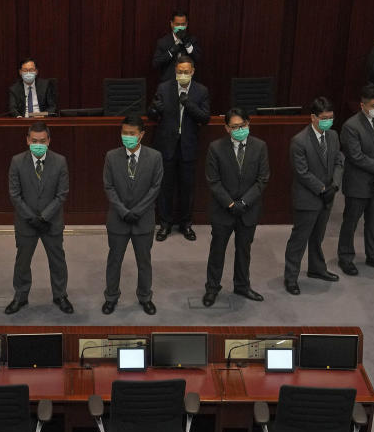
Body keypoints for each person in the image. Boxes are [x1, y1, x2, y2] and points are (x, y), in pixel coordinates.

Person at [203, 108, 269, 307]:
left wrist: (244, 202)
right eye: (234, 127)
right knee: (217, 251)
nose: (239, 130)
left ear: (248, 124)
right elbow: (213, 181)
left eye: (242, 126)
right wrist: (231, 204)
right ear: (226, 128)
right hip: (223, 210)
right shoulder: (215, 147)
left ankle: (242, 285)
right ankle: (212, 288)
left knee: (244, 250)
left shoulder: (260, 146)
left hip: (248, 209)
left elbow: (262, 179)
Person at [6, 122, 72, 314]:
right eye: (34, 140)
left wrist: (44, 217)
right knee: (22, 262)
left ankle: (60, 295)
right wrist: (31, 218)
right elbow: (14, 194)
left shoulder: (60, 161)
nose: (38, 144)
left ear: (49, 141)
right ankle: (20, 296)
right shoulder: (17, 161)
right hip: (26, 223)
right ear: (27, 140)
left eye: (42, 141)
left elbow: (62, 194)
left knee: (58, 260)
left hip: (51, 222)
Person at [101, 116, 162, 315]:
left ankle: (145, 297)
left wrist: (137, 211)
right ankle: (111, 297)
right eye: (124, 133)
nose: (127, 137)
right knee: (114, 260)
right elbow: (109, 187)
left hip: (143, 219)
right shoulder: (111, 156)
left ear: (141, 135)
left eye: (132, 134)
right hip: (118, 219)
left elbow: (155, 188)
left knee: (144, 261)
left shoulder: (155, 157)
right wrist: (123, 211)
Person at [282, 97, 343, 295]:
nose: (328, 121)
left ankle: (317, 269)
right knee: (299, 239)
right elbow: (302, 172)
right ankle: (291, 277)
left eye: (331, 117)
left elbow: (338, 160)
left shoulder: (333, 135)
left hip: (328, 195)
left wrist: (334, 185)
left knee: (318, 236)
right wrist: (322, 189)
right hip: (308, 198)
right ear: (313, 117)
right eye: (324, 118)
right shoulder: (299, 141)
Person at [148, 55, 210, 241]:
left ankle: (186, 224)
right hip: (166, 145)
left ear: (192, 72)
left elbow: (204, 118)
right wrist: (154, 109)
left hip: (188, 147)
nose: (182, 74)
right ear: (175, 71)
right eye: (179, 72)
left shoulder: (201, 91)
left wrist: (187, 103)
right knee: (165, 187)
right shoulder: (164, 88)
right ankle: (165, 224)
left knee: (187, 188)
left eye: (186, 72)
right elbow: (152, 115)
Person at [337, 84, 374, 275]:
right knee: (351, 222)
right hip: (358, 184)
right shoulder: (351, 126)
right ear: (363, 106)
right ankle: (345, 257)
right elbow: (356, 156)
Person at [152, 10, 203, 83]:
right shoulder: (163, 42)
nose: (180, 27)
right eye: (177, 24)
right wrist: (171, 51)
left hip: (188, 83)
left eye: (182, 25)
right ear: (172, 24)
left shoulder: (192, 40)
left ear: (186, 24)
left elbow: (198, 58)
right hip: (168, 83)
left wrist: (187, 44)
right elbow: (156, 63)